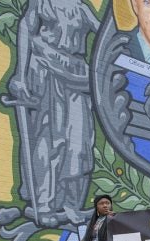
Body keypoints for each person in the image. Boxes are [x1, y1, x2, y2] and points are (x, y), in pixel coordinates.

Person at [6, 0, 100, 227]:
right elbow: (26, 29)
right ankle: (44, 204)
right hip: (46, 68)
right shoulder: (41, 2)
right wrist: (20, 74)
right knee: (50, 139)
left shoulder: (82, 8)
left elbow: (105, 37)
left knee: (80, 143)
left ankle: (71, 204)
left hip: (78, 75)